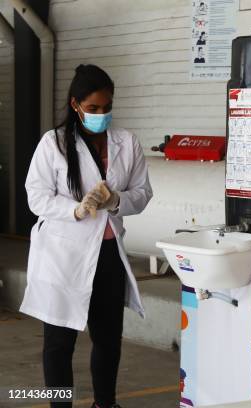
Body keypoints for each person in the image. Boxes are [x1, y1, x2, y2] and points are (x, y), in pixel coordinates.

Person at [20, 64, 153, 408]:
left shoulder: (127, 142)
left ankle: (104, 404)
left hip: (108, 256)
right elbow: (35, 195)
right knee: (59, 344)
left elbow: (142, 193)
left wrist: (116, 200)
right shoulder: (53, 143)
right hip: (65, 256)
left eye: (107, 107)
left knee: (108, 340)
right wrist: (74, 210)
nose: (102, 114)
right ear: (75, 104)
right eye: (93, 109)